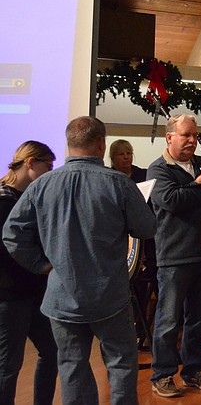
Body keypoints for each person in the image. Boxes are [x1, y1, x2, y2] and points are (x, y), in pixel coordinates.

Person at [3, 117, 156, 405]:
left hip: (62, 296)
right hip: (109, 294)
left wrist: (40, 265)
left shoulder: (42, 185)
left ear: (69, 144)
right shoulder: (119, 183)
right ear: (101, 145)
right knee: (121, 366)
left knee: (72, 368)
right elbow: (146, 228)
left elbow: (12, 235)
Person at [147, 114, 201, 397]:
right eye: (186, 135)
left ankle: (194, 371)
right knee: (168, 320)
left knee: (199, 318)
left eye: (195, 136)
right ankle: (162, 376)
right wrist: (200, 186)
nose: (192, 141)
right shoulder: (158, 170)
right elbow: (172, 202)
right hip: (174, 256)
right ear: (169, 137)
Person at [0, 141, 58, 405]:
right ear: (31, 162)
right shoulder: (3, 199)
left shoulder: (27, 198)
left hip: (33, 292)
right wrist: (42, 265)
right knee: (8, 365)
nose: (50, 171)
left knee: (52, 351)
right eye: (48, 165)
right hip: (9, 294)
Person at [110, 139, 157, 348]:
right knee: (134, 286)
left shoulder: (144, 175)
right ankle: (135, 330)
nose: (127, 157)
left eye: (129, 153)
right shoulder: (109, 177)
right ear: (113, 158)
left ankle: (149, 329)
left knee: (157, 283)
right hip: (123, 239)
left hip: (147, 237)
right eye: (121, 154)